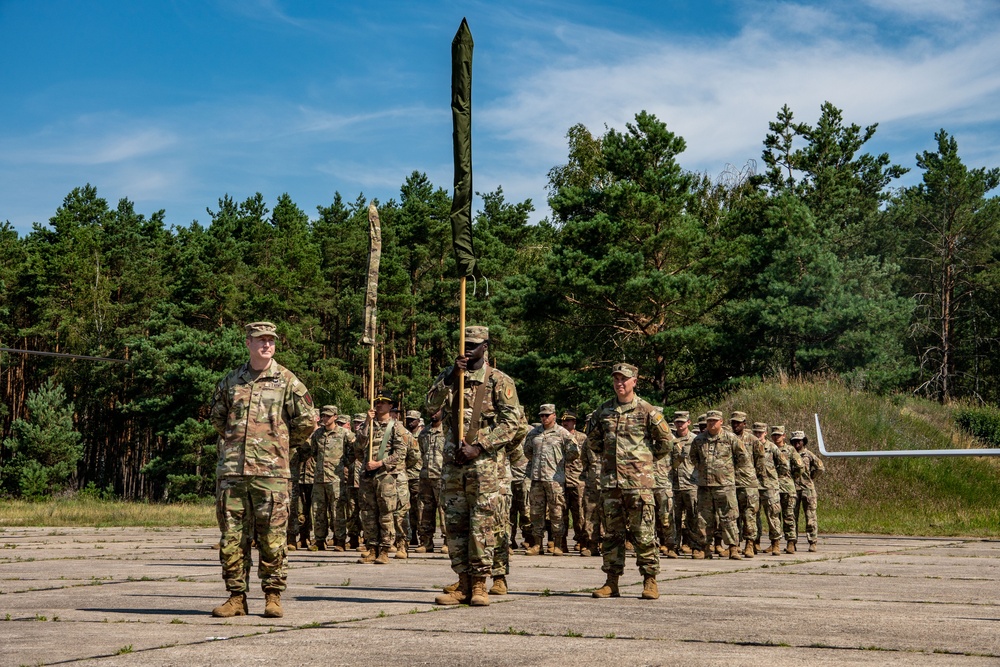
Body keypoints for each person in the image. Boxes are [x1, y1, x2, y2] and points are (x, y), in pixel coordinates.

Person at [208, 321, 315, 618]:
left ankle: (273, 595)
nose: (267, 344)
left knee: (273, 538)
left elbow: (306, 422)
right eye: (260, 340)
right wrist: (235, 444)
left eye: (271, 340)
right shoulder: (231, 381)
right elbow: (218, 417)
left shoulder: (288, 381)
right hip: (233, 473)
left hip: (272, 475)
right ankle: (236, 597)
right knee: (232, 537)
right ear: (248, 343)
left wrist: (279, 446)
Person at [426, 326, 522, 607]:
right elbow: (430, 404)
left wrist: (480, 446)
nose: (467, 349)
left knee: (482, 524)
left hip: (485, 466)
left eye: (473, 345)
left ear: (485, 347)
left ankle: (480, 583)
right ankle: (463, 583)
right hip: (453, 464)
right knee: (455, 525)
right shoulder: (451, 376)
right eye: (464, 344)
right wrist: (448, 378)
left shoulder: (499, 381)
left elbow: (512, 423)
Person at [586, 363, 673, 600]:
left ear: (634, 381)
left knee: (643, 533)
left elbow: (666, 442)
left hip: (638, 484)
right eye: (616, 379)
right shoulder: (603, 411)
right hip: (611, 485)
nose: (619, 383)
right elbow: (593, 441)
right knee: (612, 535)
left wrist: (645, 461)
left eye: (624, 379)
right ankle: (611, 582)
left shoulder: (647, 410)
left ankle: (650, 580)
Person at [357, 389, 412, 565]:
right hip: (368, 475)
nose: (379, 404)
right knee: (368, 513)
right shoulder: (369, 425)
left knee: (386, 513)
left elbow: (400, 453)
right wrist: (367, 422)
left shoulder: (396, 427)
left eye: (383, 402)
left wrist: (380, 464)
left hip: (385, 475)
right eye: (377, 402)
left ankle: (385, 549)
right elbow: (359, 445)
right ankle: (372, 547)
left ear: (391, 406)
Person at [690, 410, 749, 560]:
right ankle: (705, 548)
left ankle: (733, 548)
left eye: (715, 421)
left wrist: (728, 472)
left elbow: (742, 458)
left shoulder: (730, 438)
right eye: (709, 421)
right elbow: (693, 458)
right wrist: (703, 470)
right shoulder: (699, 440)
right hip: (705, 486)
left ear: (721, 421)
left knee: (729, 517)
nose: (711, 423)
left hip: (725, 486)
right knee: (704, 519)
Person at [524, 404, 579, 556]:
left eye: (547, 415)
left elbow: (574, 452)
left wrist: (559, 462)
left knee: (557, 512)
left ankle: (558, 544)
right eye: (541, 415)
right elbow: (527, 451)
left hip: (555, 479)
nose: (544, 418)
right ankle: (537, 544)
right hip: (537, 478)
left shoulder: (562, 433)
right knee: (536, 513)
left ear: (554, 415)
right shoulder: (534, 433)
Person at [304, 405, 350, 551]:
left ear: (335, 417)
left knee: (337, 511)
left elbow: (352, 453)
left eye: (328, 416)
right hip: (319, 478)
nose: (325, 418)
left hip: (336, 478)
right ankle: (319, 540)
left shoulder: (344, 434)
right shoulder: (317, 434)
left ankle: (340, 540)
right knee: (318, 510)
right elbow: (313, 452)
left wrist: (344, 466)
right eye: (323, 416)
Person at [730, 411, 761, 558]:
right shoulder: (727, 438)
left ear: (744, 423)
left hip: (748, 483)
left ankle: (749, 544)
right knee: (732, 516)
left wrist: (754, 476)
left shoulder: (753, 440)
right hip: (730, 482)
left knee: (749, 515)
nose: (735, 425)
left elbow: (760, 462)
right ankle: (734, 546)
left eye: (738, 422)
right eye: (733, 422)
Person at [415, 409, 446, 553]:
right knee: (425, 510)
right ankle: (426, 541)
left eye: (437, 411)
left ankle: (447, 541)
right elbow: (421, 452)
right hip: (426, 475)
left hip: (442, 476)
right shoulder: (424, 432)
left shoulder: (448, 430)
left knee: (444, 510)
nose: (433, 414)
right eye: (431, 411)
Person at [772, 425, 805, 554]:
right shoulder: (769, 448)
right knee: (774, 517)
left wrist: (791, 477)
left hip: (787, 488)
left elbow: (800, 467)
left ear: (784, 436)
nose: (776, 437)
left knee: (789, 516)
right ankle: (775, 543)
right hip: (773, 487)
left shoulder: (790, 450)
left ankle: (791, 542)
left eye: (779, 435)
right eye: (774, 435)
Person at [669, 411, 697, 557]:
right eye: (677, 422)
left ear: (688, 422)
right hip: (674, 484)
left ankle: (694, 546)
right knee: (674, 517)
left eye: (682, 422)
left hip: (691, 483)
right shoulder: (670, 439)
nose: (680, 425)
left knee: (693, 516)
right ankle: (674, 546)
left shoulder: (695, 440)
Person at [753, 422, 784, 555]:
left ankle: (775, 543)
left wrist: (774, 478)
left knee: (772, 515)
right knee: (753, 516)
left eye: (760, 432)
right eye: (756, 432)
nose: (758, 435)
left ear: (765, 433)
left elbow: (783, 465)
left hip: (769, 486)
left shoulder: (772, 447)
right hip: (753, 485)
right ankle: (755, 543)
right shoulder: (750, 446)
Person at [791, 430, 825, 552]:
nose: (796, 444)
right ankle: (792, 542)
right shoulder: (790, 454)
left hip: (807, 490)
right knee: (791, 517)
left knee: (810, 517)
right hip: (793, 489)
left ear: (803, 442)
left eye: (799, 441)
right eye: (794, 441)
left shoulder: (809, 455)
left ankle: (812, 542)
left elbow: (820, 467)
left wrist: (812, 476)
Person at [560, 410, 588, 553]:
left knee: (579, 514)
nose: (565, 423)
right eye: (564, 421)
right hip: (561, 480)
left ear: (574, 422)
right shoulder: (558, 436)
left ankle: (582, 541)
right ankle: (561, 542)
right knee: (561, 514)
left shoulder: (582, 438)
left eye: (569, 421)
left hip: (577, 480)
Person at [404, 410, 424, 548]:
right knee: (406, 508)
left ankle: (422, 536)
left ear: (418, 421)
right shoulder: (404, 435)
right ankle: (411, 536)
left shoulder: (422, 435)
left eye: (413, 419)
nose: (410, 421)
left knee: (419, 508)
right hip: (405, 476)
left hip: (418, 475)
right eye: (408, 419)